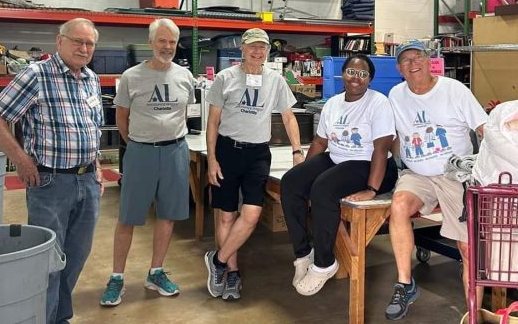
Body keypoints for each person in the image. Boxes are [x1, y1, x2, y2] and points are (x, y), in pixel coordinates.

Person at [0, 18, 104, 324]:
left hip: (87, 180)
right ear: (59, 41)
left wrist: (96, 169)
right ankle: (45, 317)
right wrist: (21, 159)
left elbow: (91, 127)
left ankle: (59, 316)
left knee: (76, 256)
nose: (83, 48)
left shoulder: (91, 78)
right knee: (49, 260)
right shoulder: (36, 75)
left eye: (89, 43)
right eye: (77, 41)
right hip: (51, 182)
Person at [384, 40, 487, 320]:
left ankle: (473, 314)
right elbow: (391, 136)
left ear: (430, 61)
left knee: (467, 246)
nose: (413, 63)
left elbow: (483, 128)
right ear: (399, 69)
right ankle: (405, 284)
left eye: (419, 57)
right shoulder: (395, 94)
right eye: (406, 60)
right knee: (399, 205)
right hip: (417, 174)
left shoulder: (454, 90)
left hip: (454, 174)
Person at [280, 54, 398, 296]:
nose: (356, 78)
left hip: (372, 165)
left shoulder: (378, 103)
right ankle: (303, 253)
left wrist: (372, 190)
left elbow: (381, 148)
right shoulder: (333, 103)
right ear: (342, 74)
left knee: (323, 189)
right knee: (291, 182)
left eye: (363, 74)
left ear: (370, 79)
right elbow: (320, 141)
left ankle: (324, 263)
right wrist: (304, 172)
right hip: (338, 158)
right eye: (351, 72)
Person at [100, 18, 195, 306]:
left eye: (172, 42)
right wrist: (140, 145)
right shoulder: (132, 76)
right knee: (128, 217)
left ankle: (155, 272)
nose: (167, 47)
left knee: (167, 215)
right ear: (151, 42)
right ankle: (117, 277)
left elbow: (184, 112)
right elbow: (121, 118)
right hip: (140, 151)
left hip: (175, 151)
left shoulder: (185, 76)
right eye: (162, 41)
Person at [204, 28, 304, 300]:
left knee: (251, 215)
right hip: (227, 151)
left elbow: (289, 117)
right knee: (227, 215)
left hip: (258, 153)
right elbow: (212, 122)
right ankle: (232, 274)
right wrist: (212, 159)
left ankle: (218, 260)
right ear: (242, 49)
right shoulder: (225, 79)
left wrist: (297, 151)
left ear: (268, 51)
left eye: (263, 47)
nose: (258, 52)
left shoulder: (275, 80)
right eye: (252, 47)